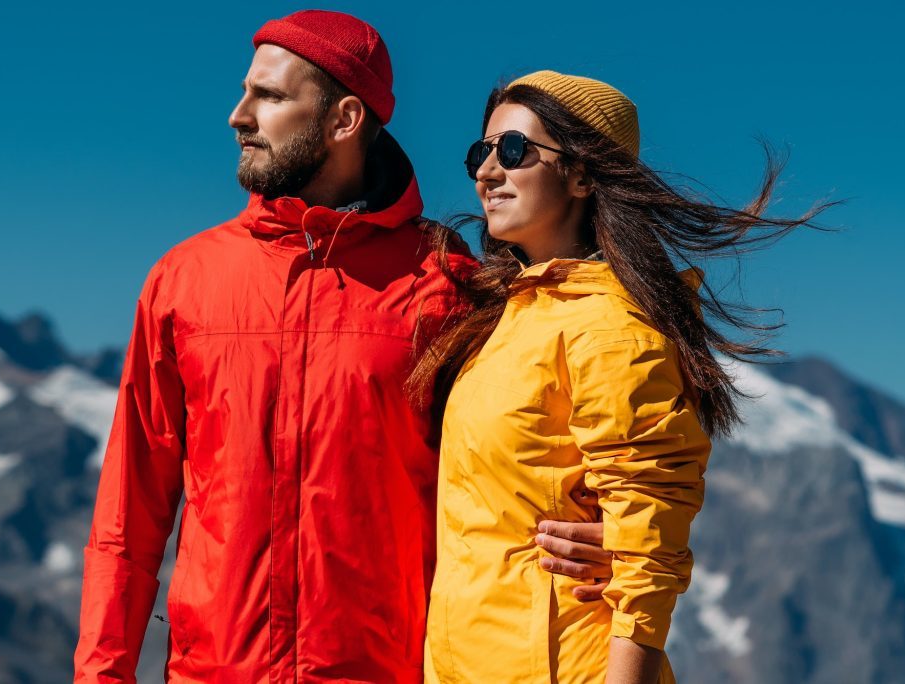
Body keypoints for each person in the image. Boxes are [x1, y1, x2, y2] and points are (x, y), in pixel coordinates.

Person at [73, 13, 608, 682]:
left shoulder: (447, 281)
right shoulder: (184, 280)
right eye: (247, 92)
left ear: (344, 119)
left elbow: (523, 457)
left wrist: (609, 532)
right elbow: (128, 515)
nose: (239, 116)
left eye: (269, 96)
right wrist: (102, 672)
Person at [411, 71, 826, 683]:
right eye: (482, 150)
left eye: (515, 150)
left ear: (582, 175)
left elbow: (647, 541)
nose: (487, 171)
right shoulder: (503, 321)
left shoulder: (610, 325)